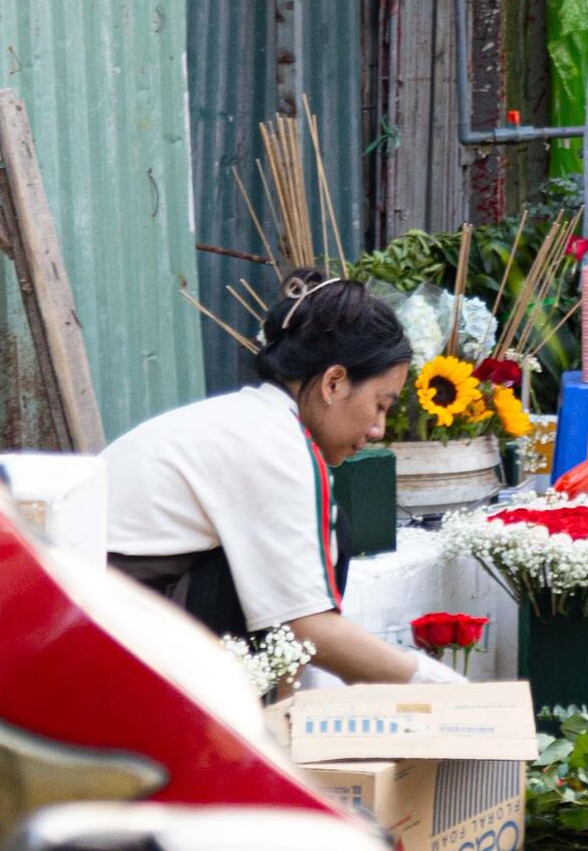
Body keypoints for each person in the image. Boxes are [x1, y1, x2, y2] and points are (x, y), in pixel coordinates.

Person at [104, 270, 465, 684]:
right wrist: (439, 687)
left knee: (325, 536)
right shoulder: (273, 444)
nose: (378, 429)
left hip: (98, 619)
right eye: (380, 405)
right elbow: (306, 628)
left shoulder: (253, 422)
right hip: (101, 645)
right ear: (334, 382)